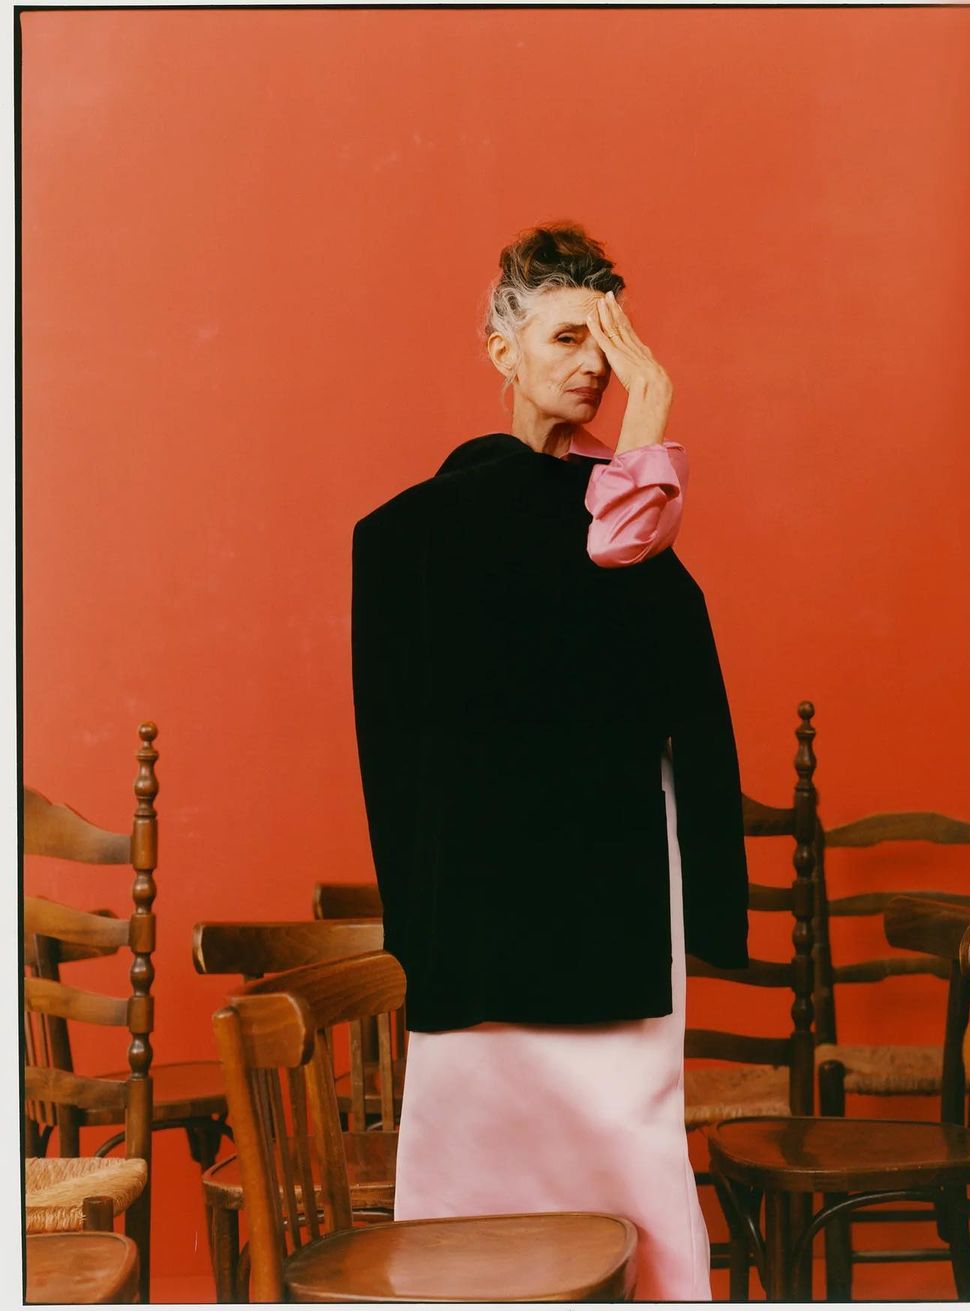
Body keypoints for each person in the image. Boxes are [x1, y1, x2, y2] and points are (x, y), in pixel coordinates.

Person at [351, 223, 748, 1301]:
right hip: (482, 922)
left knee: (631, 1173)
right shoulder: (428, 530)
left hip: (608, 904)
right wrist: (645, 441)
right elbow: (570, 615)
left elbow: (659, 673)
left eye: (608, 344)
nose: (594, 365)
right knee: (475, 1205)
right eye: (568, 336)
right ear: (503, 350)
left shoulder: (624, 515)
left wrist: (642, 443)